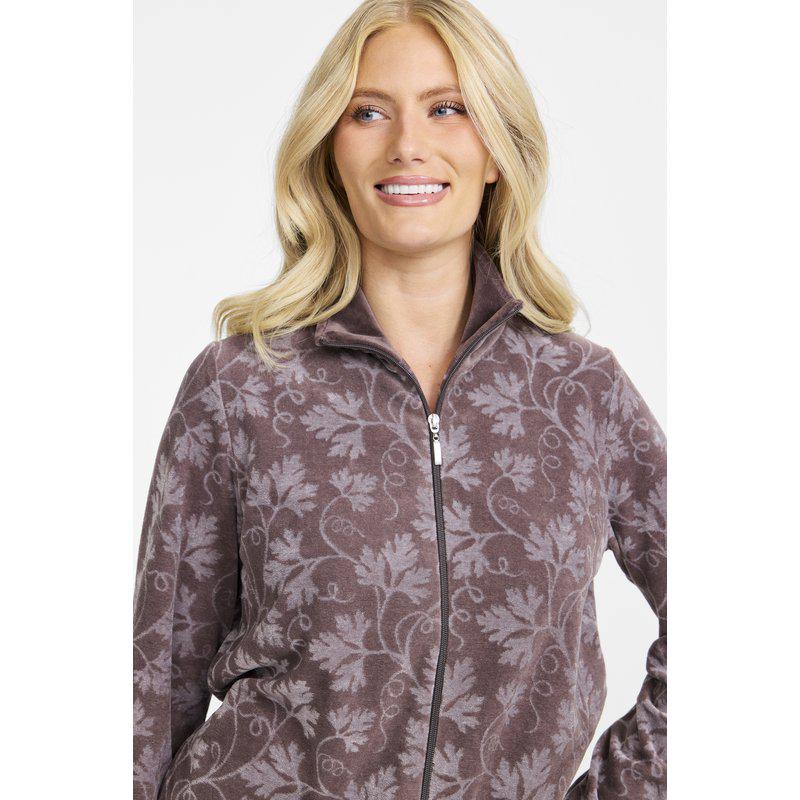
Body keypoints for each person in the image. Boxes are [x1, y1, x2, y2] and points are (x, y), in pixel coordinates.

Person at [133, 2, 667, 799]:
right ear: (331, 150)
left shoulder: (583, 394)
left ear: (497, 150)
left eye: (448, 108)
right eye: (368, 112)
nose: (407, 144)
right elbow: (152, 682)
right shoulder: (242, 386)